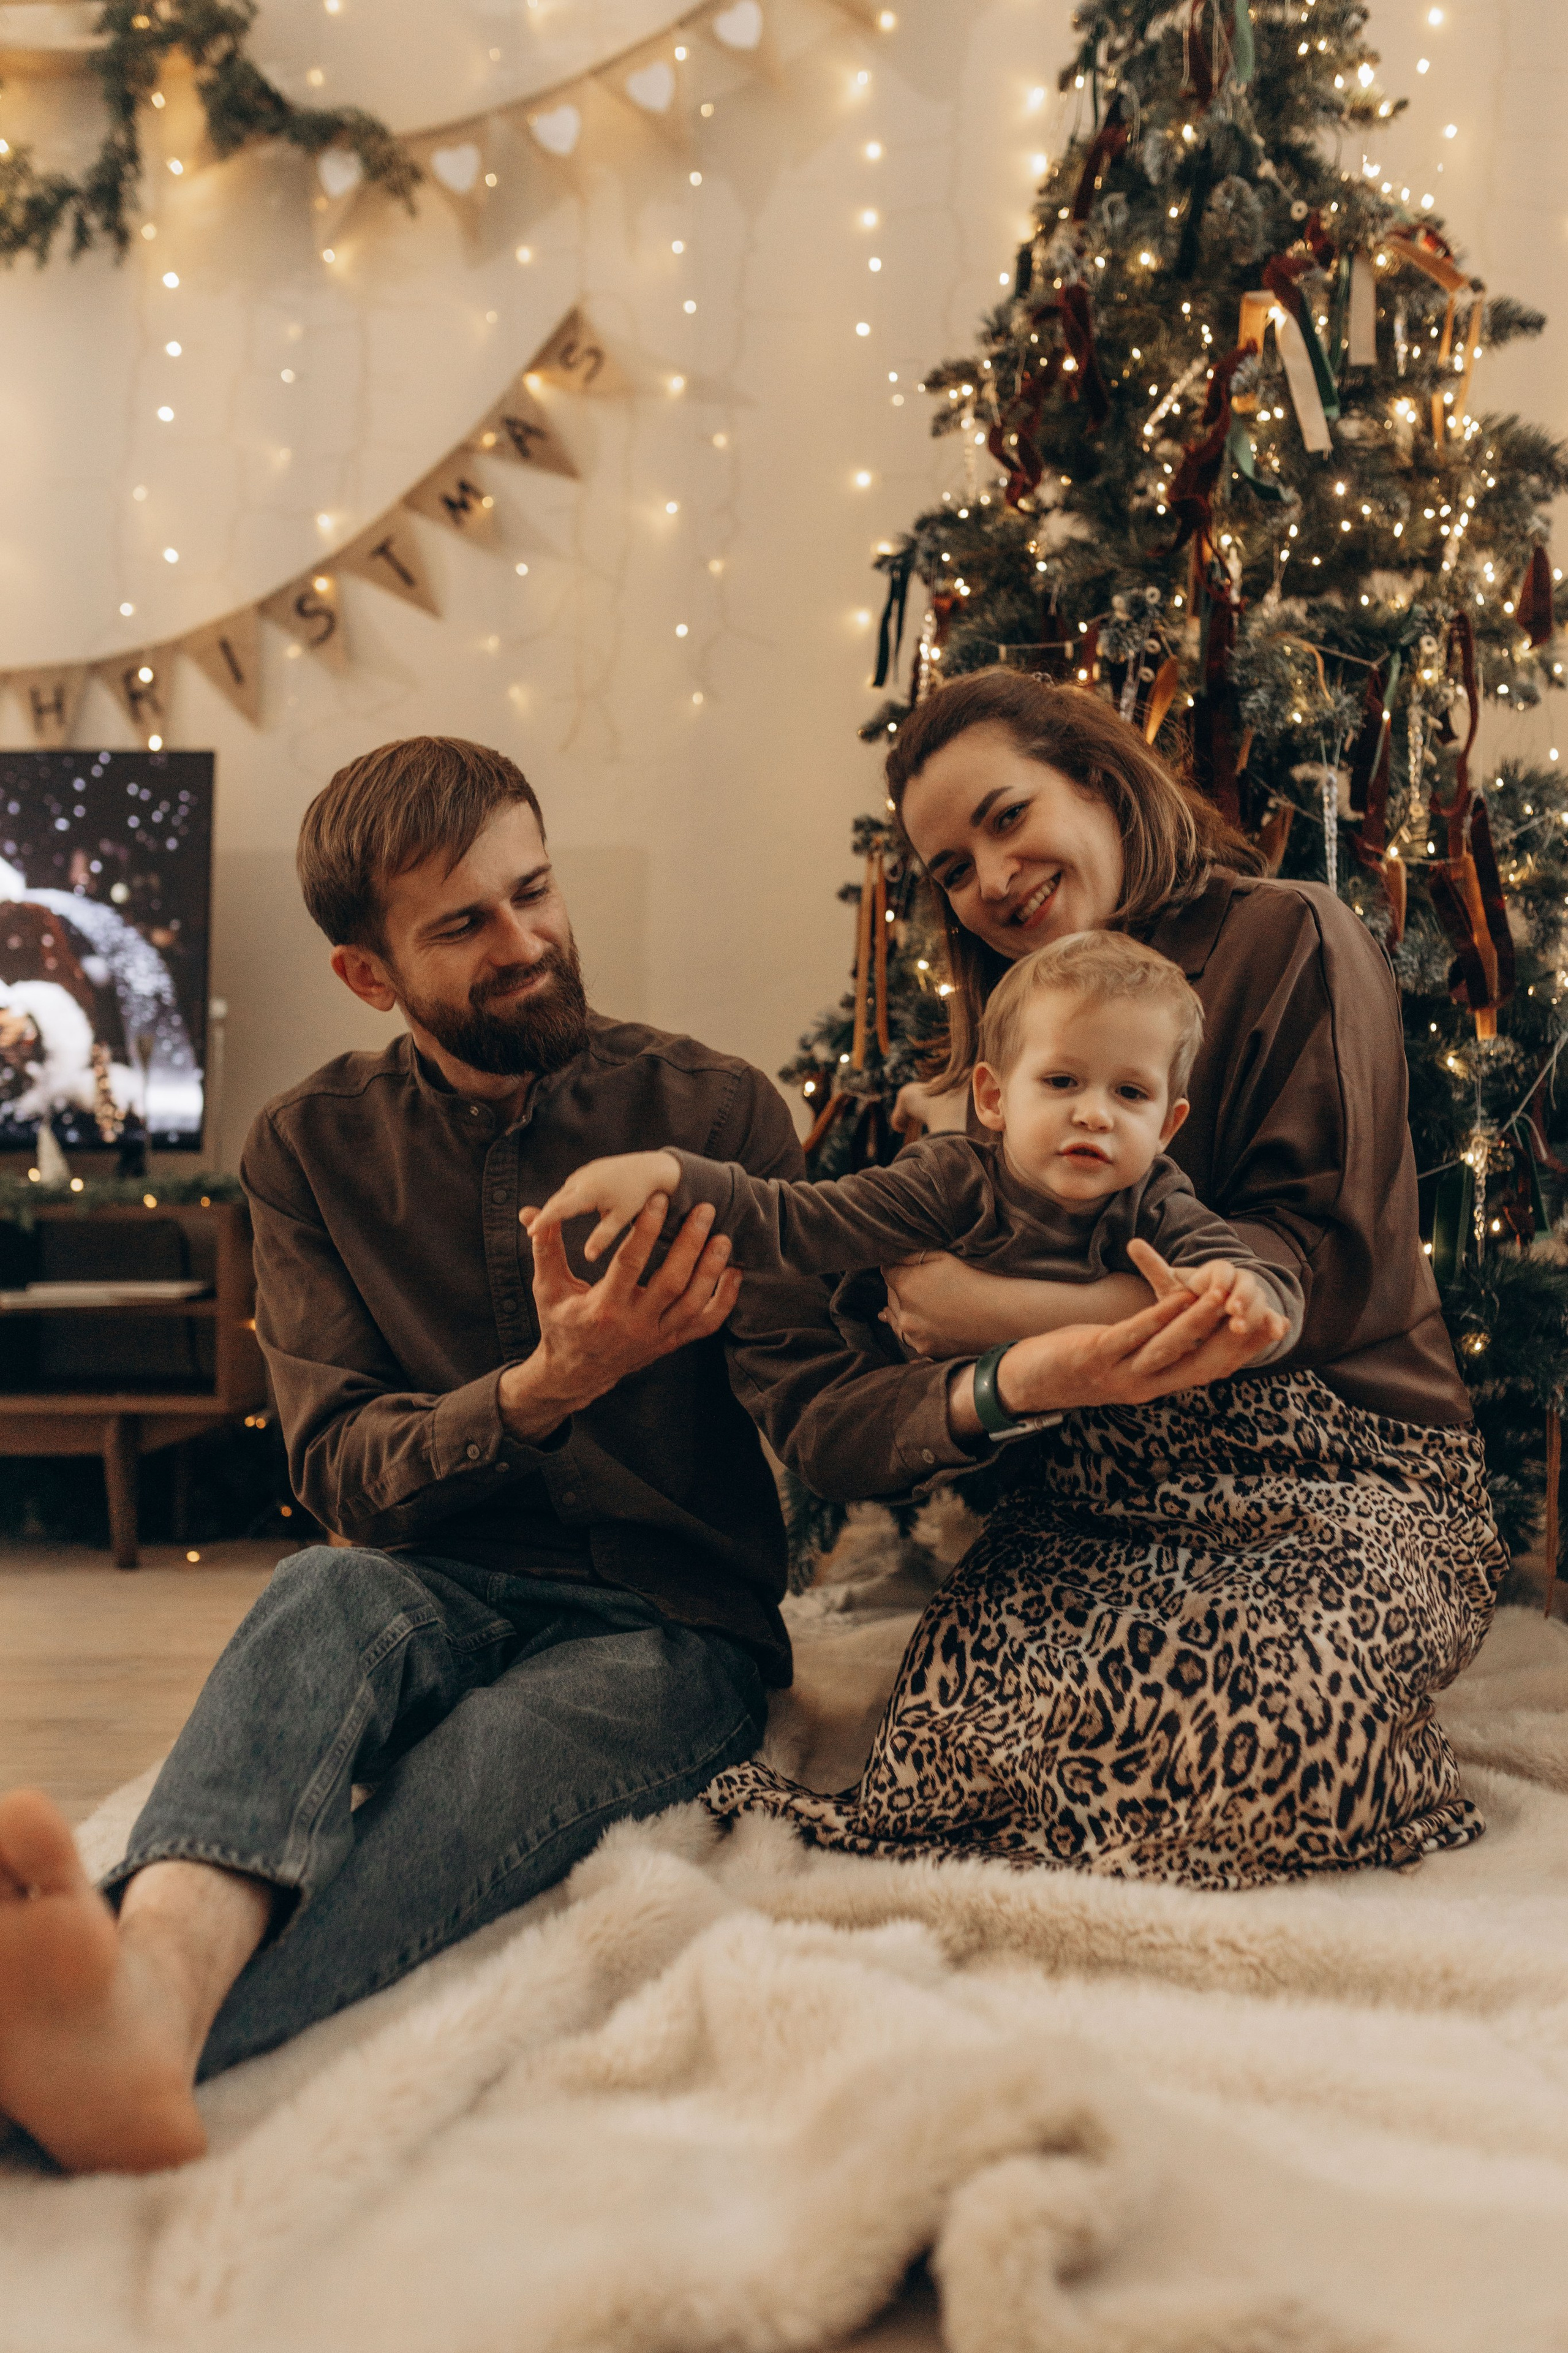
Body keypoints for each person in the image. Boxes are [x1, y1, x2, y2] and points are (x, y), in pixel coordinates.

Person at [0, 730, 1305, 2178]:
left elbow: (824, 1425)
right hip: (434, 1578)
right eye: (464, 925)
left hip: (666, 1625)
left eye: (533, 891)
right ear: (369, 975)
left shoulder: (711, 1114)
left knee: (489, 1762)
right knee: (314, 1594)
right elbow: (341, 1475)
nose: (525, 941)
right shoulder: (306, 1148)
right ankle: (135, 1995)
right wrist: (546, 1385)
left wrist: (1008, 1382)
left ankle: (138, 2035)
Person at [697, 671, 1507, 1888]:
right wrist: (970, 1359)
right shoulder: (996, 1058)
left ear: (1096, 779)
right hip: (1099, 1492)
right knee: (948, 1737)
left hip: (1343, 1465)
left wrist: (990, 1315)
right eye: (952, 868)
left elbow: (1306, 1277)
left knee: (1288, 1725)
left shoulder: (1287, 936)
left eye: (1007, 816)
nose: (990, 878)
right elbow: (847, 1359)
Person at [526, 929, 1300, 1365]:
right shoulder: (947, 1179)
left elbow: (1271, 1296)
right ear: (992, 1098)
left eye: (1129, 1094)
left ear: (1166, 1126)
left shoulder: (1155, 1201)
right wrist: (668, 1172)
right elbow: (797, 1221)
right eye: (1062, 1082)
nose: (1095, 1115)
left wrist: (1243, 1296)